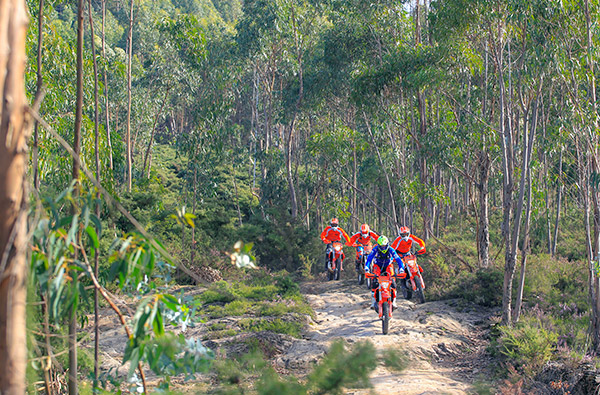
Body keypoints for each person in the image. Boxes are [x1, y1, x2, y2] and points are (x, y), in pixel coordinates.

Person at [365, 236, 405, 309]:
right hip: (378, 266)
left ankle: (394, 302)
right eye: (381, 246)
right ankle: (373, 302)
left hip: (388, 266)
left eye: (384, 246)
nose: (383, 247)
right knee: (374, 281)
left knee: (393, 282)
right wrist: (367, 267)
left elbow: (398, 259)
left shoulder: (391, 250)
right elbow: (369, 259)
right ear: (378, 245)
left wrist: (401, 268)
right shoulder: (375, 249)